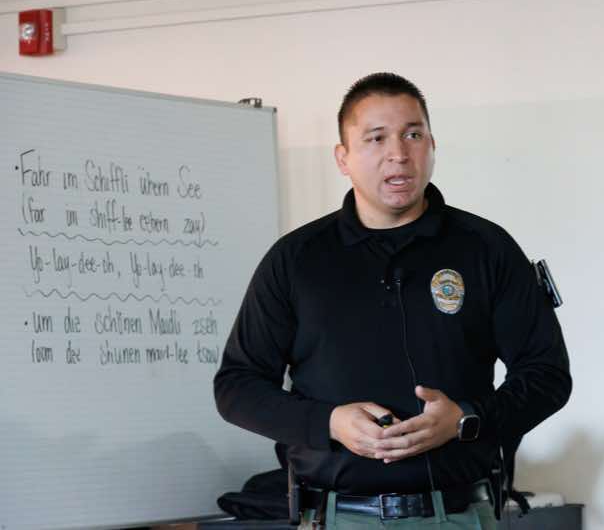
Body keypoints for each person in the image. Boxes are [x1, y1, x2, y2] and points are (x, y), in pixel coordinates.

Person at [214, 72, 572, 529]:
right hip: (335, 517)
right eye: (376, 138)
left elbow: (547, 375)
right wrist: (329, 422)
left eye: (413, 135)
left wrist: (466, 418)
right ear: (343, 158)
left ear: (432, 146)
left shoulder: (486, 248)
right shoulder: (296, 260)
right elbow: (237, 387)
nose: (398, 154)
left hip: (458, 515)